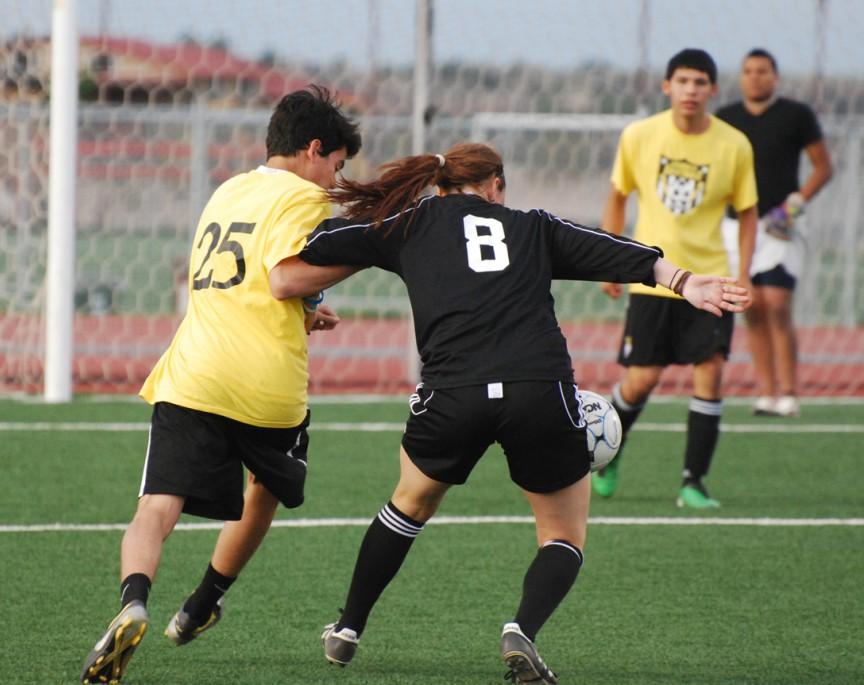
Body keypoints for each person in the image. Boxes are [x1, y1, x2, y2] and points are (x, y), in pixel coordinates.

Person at [268, 142, 750, 684]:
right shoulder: (531, 226)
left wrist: (310, 262)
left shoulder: (407, 223)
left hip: (454, 393)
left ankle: (347, 630)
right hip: (537, 388)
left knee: (408, 504)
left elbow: (322, 245)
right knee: (564, 534)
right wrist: (685, 281)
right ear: (496, 184)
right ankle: (521, 629)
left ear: (439, 184)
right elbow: (609, 248)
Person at [80, 85, 361, 685]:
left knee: (157, 506)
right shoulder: (306, 198)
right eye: (336, 167)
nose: (333, 182)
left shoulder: (229, 190)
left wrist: (308, 309)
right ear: (314, 150)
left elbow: (243, 282)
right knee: (265, 490)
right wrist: (367, 251)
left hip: (194, 371)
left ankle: (133, 602)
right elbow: (284, 278)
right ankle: (202, 603)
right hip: (265, 384)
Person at [593, 48, 759, 509]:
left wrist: (743, 271)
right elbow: (617, 197)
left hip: (710, 282)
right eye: (682, 81)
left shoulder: (734, 145)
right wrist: (609, 259)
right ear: (667, 86)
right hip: (653, 278)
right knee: (641, 381)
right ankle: (609, 454)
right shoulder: (639, 136)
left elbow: (748, 213)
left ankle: (693, 482)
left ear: (712, 89)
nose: (691, 90)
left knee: (711, 373)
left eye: (700, 82)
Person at [717, 48, 833, 418]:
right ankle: (765, 392)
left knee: (777, 303)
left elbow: (822, 167)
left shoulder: (796, 115)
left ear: (775, 76)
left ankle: (789, 392)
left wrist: (794, 205)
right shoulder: (726, 119)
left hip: (780, 224)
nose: (755, 77)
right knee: (751, 306)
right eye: (748, 71)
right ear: (741, 77)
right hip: (737, 225)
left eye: (763, 71)